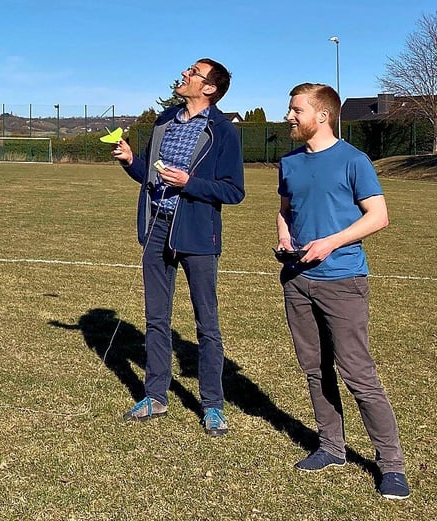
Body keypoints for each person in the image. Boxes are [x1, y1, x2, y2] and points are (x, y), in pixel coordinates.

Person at [276, 83, 409, 500]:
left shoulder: (354, 161)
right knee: (314, 368)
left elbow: (379, 216)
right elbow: (284, 211)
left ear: (322, 115)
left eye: (297, 110)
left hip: (343, 281)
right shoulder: (290, 162)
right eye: (290, 109)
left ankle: (392, 466)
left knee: (358, 374)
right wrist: (285, 241)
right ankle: (331, 447)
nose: (289, 116)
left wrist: (330, 242)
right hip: (297, 280)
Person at [112, 58, 245, 435]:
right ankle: (155, 395)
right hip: (157, 228)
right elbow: (150, 177)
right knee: (156, 318)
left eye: (193, 73)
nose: (184, 75)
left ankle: (213, 405)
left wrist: (189, 182)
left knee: (207, 324)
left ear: (209, 89)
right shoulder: (164, 120)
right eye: (188, 70)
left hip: (198, 235)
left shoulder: (223, 132)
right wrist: (131, 161)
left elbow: (234, 191)